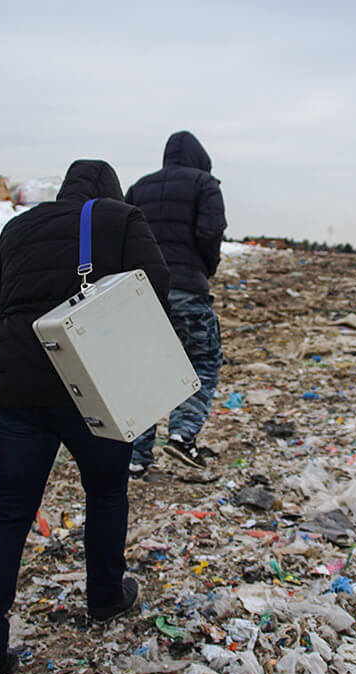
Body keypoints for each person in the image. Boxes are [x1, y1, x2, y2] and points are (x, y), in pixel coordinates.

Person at [0, 159, 169, 674]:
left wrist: (14, 343)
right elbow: (156, 286)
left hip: (15, 391)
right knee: (104, 494)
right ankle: (104, 597)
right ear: (110, 192)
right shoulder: (120, 218)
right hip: (93, 388)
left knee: (8, 512)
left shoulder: (20, 225)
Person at [126, 131, 227, 475]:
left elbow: (126, 236)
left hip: (143, 294)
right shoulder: (205, 184)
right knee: (204, 359)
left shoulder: (140, 187)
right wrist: (204, 268)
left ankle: (136, 457)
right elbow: (211, 231)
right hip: (187, 288)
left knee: (146, 369)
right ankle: (183, 435)